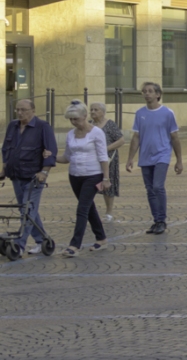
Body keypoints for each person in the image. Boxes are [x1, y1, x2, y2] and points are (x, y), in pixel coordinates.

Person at [124, 82, 182, 235]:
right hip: (145, 157)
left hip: (162, 155)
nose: (147, 94)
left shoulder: (167, 113)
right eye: (144, 91)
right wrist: (130, 158)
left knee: (157, 186)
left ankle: (162, 219)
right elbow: (136, 137)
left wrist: (179, 160)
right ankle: (156, 221)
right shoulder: (139, 113)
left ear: (158, 94)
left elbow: (174, 137)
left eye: (150, 91)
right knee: (150, 190)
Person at [2, 98, 56, 255]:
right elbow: (6, 150)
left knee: (27, 211)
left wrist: (44, 172)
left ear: (33, 110)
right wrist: (4, 169)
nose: (20, 113)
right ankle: (42, 240)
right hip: (16, 175)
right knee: (26, 210)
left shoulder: (42, 127)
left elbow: (51, 151)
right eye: (18, 110)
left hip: (34, 177)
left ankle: (19, 245)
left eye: (24, 110)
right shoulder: (12, 126)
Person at [59, 102, 110, 256]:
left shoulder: (96, 133)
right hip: (75, 175)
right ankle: (101, 239)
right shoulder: (70, 134)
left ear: (84, 116)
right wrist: (50, 158)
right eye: (71, 120)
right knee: (89, 208)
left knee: (82, 209)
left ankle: (75, 245)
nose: (74, 122)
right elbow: (67, 157)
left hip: (93, 175)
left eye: (76, 119)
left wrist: (106, 178)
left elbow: (103, 156)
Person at [89, 101, 122, 221]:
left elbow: (121, 140)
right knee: (90, 184)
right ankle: (88, 211)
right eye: (91, 109)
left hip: (108, 160)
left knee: (107, 185)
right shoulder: (88, 125)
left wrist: (105, 149)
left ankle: (109, 212)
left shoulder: (110, 124)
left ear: (103, 112)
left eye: (95, 110)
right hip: (91, 159)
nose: (92, 112)